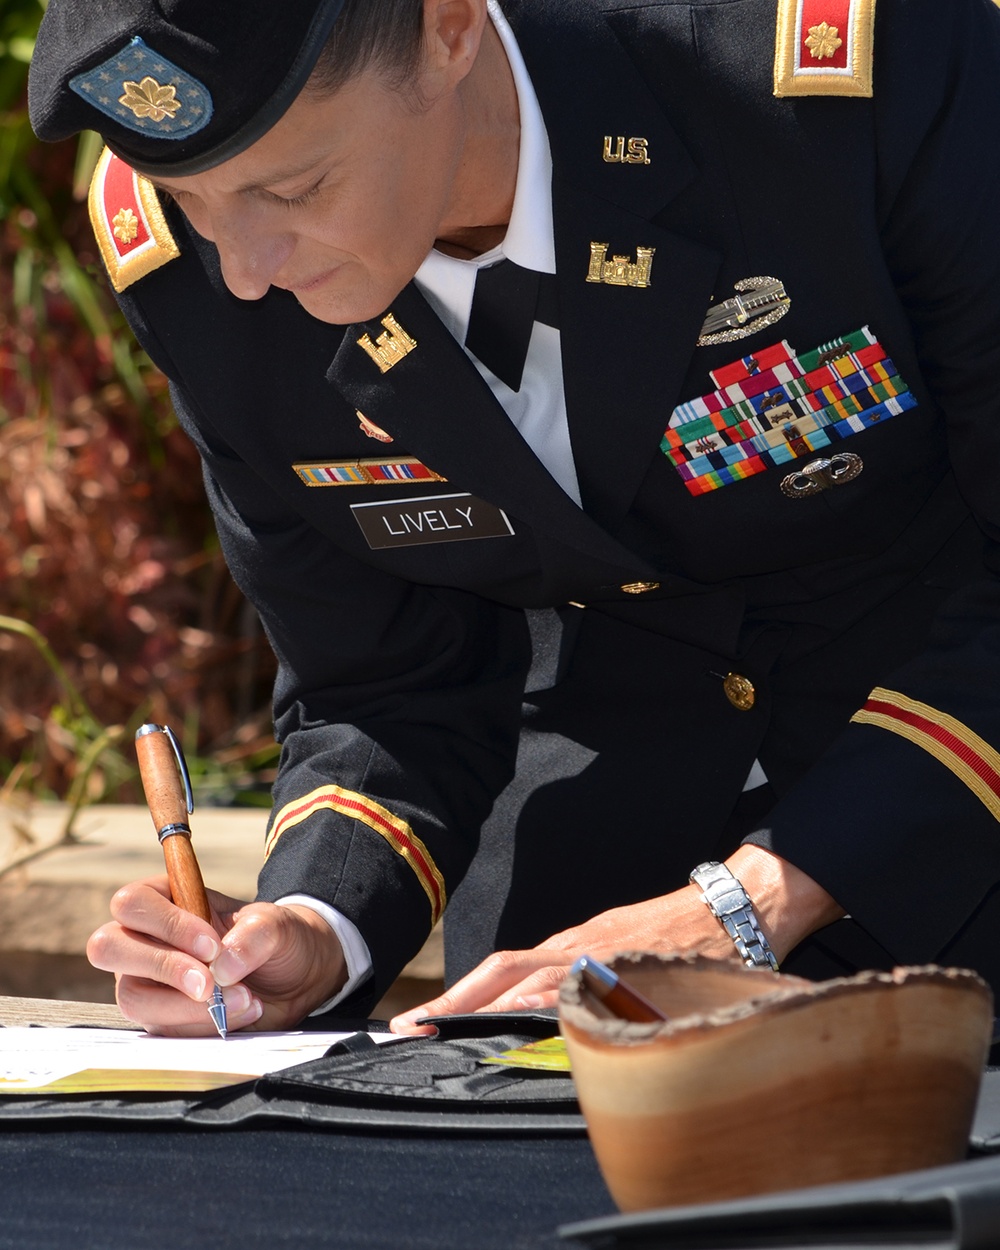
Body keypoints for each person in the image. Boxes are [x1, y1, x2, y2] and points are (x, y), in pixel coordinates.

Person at [27, 0, 1000, 1040]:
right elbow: (381, 684)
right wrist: (312, 926)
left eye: (294, 187)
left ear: (446, 29)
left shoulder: (848, 83)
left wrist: (763, 895)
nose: (246, 267)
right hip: (564, 983)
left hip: (960, 892)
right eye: (196, 202)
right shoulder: (192, 275)